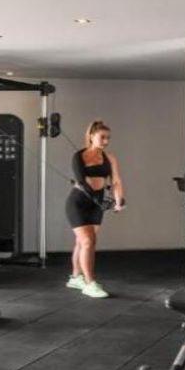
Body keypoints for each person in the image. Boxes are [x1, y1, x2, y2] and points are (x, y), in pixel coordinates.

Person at [65, 120, 125, 298]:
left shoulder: (110, 158)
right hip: (78, 203)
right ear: (91, 136)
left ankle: (75, 277)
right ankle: (90, 283)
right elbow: (82, 182)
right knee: (88, 242)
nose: (106, 141)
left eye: (108, 138)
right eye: (102, 137)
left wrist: (118, 200)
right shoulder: (79, 156)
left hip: (96, 205)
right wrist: (100, 199)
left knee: (81, 242)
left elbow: (116, 181)